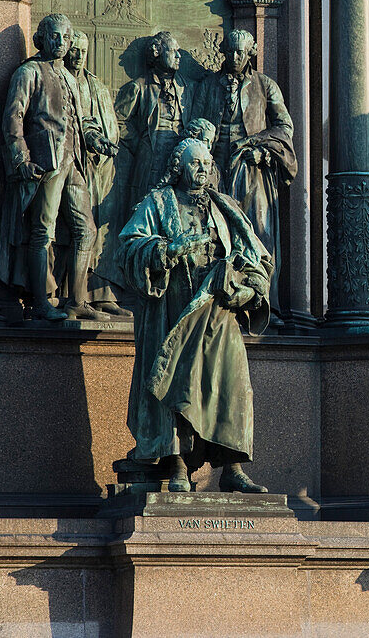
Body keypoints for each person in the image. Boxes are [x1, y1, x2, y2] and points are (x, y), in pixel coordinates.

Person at [117, 138, 271, 493]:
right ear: (178, 167)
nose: (202, 169)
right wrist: (168, 250)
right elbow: (128, 247)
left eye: (206, 162)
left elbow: (255, 258)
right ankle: (178, 465)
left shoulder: (225, 207)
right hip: (173, 308)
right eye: (194, 163)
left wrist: (248, 289)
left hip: (218, 308)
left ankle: (232, 467)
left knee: (231, 385)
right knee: (175, 384)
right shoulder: (158, 203)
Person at [0, 13, 114, 321]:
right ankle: (39, 301)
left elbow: (82, 119)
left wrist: (97, 139)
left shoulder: (71, 78)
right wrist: (21, 159)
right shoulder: (30, 72)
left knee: (86, 229)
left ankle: (77, 300)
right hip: (47, 162)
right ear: (42, 39)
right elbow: (13, 117)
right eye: (55, 36)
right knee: (42, 232)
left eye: (65, 37)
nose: (61, 42)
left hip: (74, 161)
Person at [190, 30, 296, 328]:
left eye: (240, 53)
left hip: (252, 169)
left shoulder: (265, 85)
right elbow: (194, 123)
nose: (234, 58)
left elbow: (284, 126)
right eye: (230, 52)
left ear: (251, 51)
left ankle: (263, 301)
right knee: (217, 232)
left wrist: (263, 153)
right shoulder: (208, 85)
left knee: (258, 231)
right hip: (214, 167)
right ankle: (219, 297)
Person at [64, 29, 131, 318]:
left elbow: (93, 124)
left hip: (95, 167)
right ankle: (66, 297)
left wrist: (102, 142)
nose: (78, 56)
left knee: (102, 228)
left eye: (83, 50)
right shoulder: (60, 80)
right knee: (76, 232)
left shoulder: (94, 86)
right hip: (67, 166)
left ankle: (99, 294)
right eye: (74, 50)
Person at [116, 30, 190, 210]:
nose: (178, 55)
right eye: (173, 51)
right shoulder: (138, 87)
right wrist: (141, 143)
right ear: (157, 53)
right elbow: (119, 121)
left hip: (181, 154)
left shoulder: (186, 87)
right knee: (148, 206)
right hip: (152, 156)